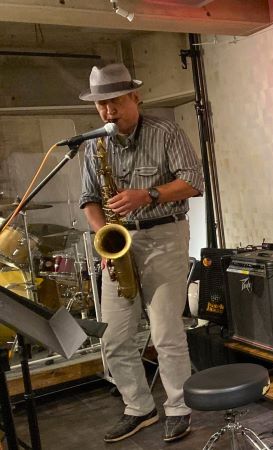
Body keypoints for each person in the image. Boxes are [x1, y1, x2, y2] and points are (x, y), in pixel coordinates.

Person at [78, 63, 203, 443]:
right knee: (113, 337)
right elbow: (89, 199)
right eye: (101, 104)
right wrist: (106, 237)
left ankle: (179, 407)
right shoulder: (93, 145)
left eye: (115, 101)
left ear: (135, 96)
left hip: (163, 236)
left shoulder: (165, 132)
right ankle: (139, 407)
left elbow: (193, 181)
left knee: (165, 331)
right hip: (119, 245)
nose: (108, 111)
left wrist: (147, 195)